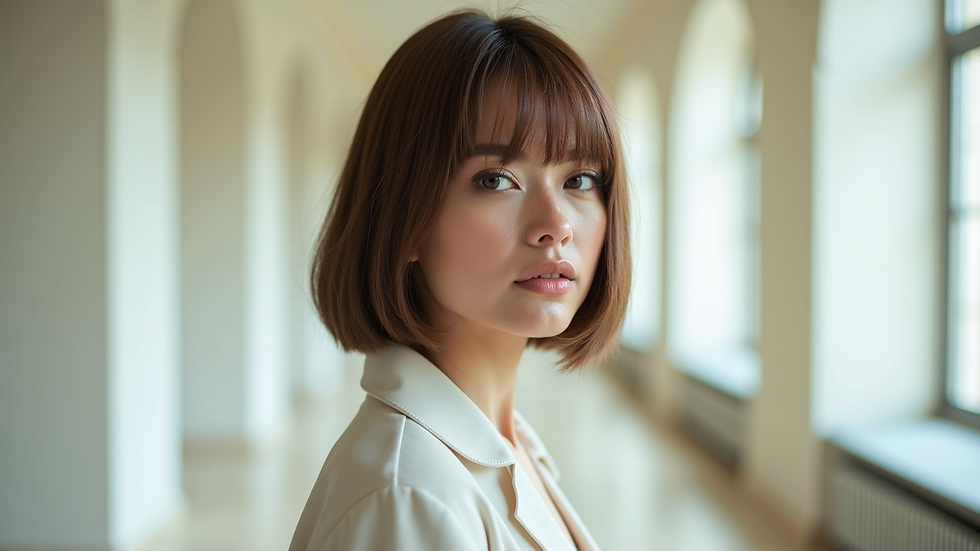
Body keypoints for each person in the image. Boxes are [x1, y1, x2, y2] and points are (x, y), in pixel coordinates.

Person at [288, 9, 630, 551]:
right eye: (496, 179)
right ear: (405, 217)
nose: (556, 225)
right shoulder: (409, 501)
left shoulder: (504, 445)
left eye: (580, 179)